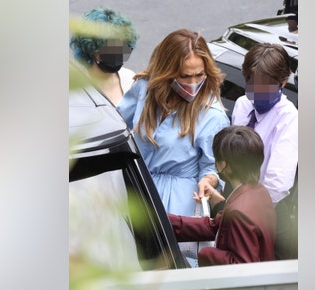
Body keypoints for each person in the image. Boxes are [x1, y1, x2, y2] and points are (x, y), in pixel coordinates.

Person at [117, 29, 230, 218]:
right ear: (167, 71)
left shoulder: (213, 115)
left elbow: (213, 166)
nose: (193, 83)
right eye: (185, 76)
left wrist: (209, 180)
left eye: (200, 74)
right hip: (134, 189)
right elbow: (116, 123)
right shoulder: (145, 89)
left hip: (177, 204)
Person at [168, 126, 276, 266]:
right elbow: (215, 226)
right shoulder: (258, 191)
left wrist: (207, 253)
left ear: (226, 165)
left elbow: (243, 264)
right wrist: (166, 221)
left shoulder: (238, 212)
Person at [231, 43, 298, 206]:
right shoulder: (242, 104)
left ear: (283, 82)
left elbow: (277, 183)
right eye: (252, 85)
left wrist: (250, 210)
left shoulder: (289, 117)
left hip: (263, 208)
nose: (256, 92)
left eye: (264, 87)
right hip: (234, 197)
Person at [70, 7, 139, 105]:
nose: (118, 54)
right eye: (112, 49)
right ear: (92, 49)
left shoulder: (131, 79)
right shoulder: (76, 90)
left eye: (124, 48)